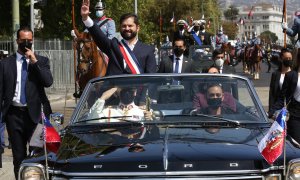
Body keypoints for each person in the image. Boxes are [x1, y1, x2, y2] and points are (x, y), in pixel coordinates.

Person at [0, 26, 53, 178]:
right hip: (14, 115)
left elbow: (48, 82)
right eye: (23, 40)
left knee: (37, 155)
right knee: (19, 157)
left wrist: (34, 62)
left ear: (33, 41)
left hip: (35, 115)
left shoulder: (41, 61)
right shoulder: (5, 64)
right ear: (17, 41)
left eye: (29, 41)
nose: (26, 44)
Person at [81, 0, 156, 75]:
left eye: (130, 26)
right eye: (124, 26)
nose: (127, 28)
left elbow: (151, 81)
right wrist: (85, 17)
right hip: (114, 87)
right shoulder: (113, 46)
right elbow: (98, 35)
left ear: (137, 28)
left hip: (138, 87)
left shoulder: (148, 50)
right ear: (120, 28)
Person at [269, 50, 300, 143]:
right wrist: (271, 111)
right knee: (296, 144)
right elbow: (283, 97)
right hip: (295, 115)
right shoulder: (291, 76)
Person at [88, 87, 153, 122]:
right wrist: (102, 98)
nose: (127, 92)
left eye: (130, 89)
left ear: (135, 92)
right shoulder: (107, 112)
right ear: (118, 92)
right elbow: (91, 121)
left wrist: (150, 119)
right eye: (123, 89)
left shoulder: (144, 112)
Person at [268, 48, 293, 116]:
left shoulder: (295, 74)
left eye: (290, 58)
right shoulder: (275, 74)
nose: (288, 60)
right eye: (286, 58)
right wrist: (271, 111)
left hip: (292, 110)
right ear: (281, 59)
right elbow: (272, 93)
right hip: (278, 109)